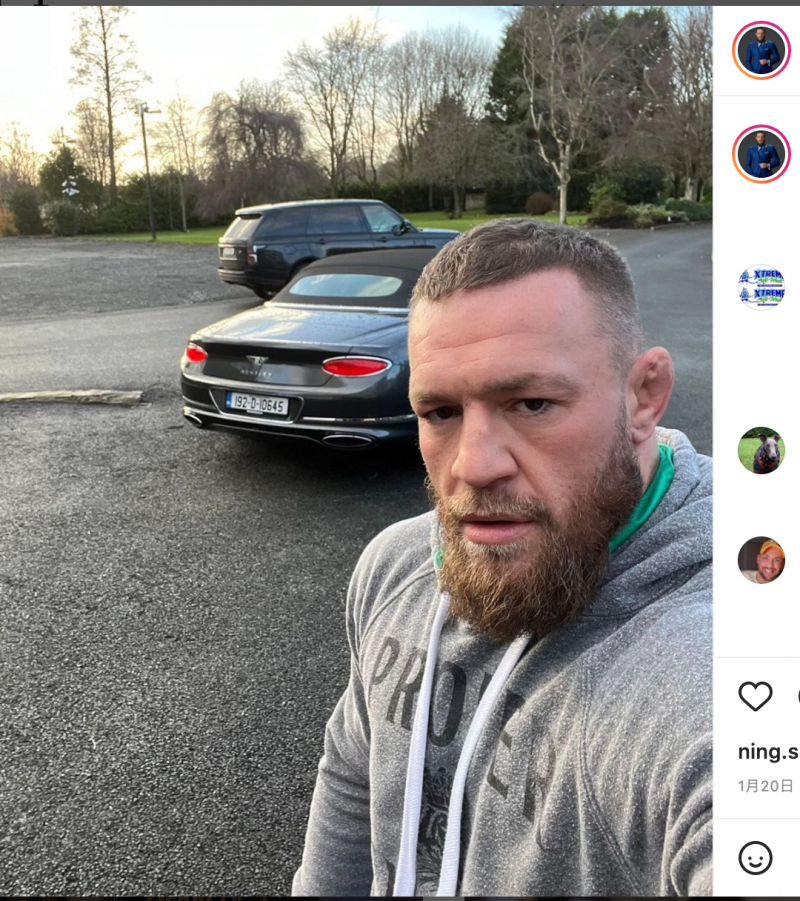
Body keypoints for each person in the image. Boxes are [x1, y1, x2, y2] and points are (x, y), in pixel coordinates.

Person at [293, 220, 712, 897]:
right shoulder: (395, 565)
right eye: (440, 412)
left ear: (644, 396)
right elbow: (351, 780)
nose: (474, 465)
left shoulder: (716, 649)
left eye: (532, 403)